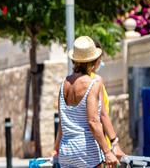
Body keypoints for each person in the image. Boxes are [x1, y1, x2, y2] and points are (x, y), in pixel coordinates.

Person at [53, 37, 123, 168]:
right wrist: (107, 151)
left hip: (66, 152)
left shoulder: (64, 84)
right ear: (94, 61)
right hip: (87, 152)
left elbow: (62, 123)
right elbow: (94, 121)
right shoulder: (94, 83)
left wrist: (56, 149)